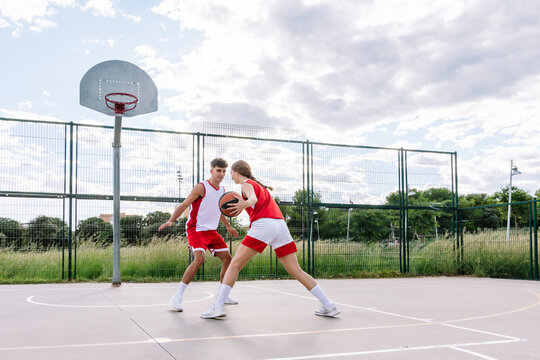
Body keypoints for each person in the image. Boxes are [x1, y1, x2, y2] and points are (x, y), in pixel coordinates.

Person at [200, 160, 339, 319]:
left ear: (237, 172)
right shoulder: (260, 187)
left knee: (235, 264)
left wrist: (244, 204)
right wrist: (246, 210)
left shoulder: (246, 184)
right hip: (280, 226)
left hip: (264, 225)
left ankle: (217, 307)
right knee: (296, 270)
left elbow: (252, 200)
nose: (230, 176)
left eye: (231, 173)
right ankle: (329, 305)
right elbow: (258, 206)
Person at [159, 158, 239, 312]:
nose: (221, 174)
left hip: (211, 231)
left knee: (228, 259)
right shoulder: (201, 187)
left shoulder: (222, 191)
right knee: (199, 258)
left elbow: (219, 211)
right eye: (218, 170)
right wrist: (171, 220)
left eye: (223, 171)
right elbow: (184, 205)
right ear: (211, 171)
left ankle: (222, 295)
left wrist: (228, 226)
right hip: (196, 229)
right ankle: (177, 296)